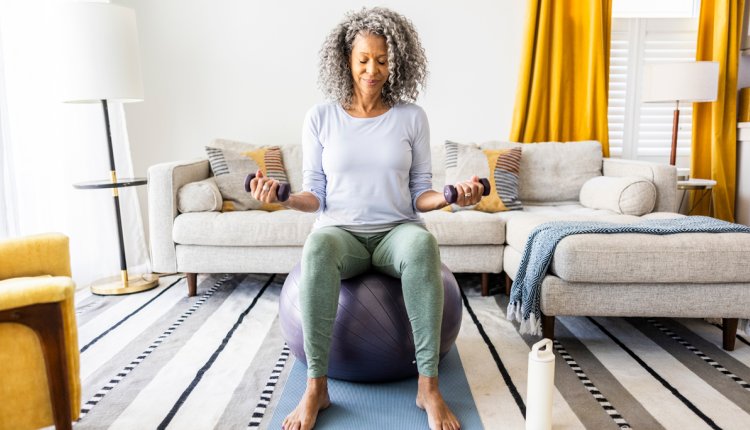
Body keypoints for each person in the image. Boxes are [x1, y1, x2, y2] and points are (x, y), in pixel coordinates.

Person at [249, 7, 483, 430]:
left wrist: (451, 197)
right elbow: (314, 194)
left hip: (398, 231)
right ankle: (316, 387)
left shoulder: (412, 117)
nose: (372, 70)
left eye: (382, 59)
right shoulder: (321, 117)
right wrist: (283, 197)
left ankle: (428, 387)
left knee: (424, 243)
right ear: (346, 60)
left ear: (396, 62)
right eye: (363, 59)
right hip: (341, 234)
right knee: (317, 245)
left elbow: (421, 193)